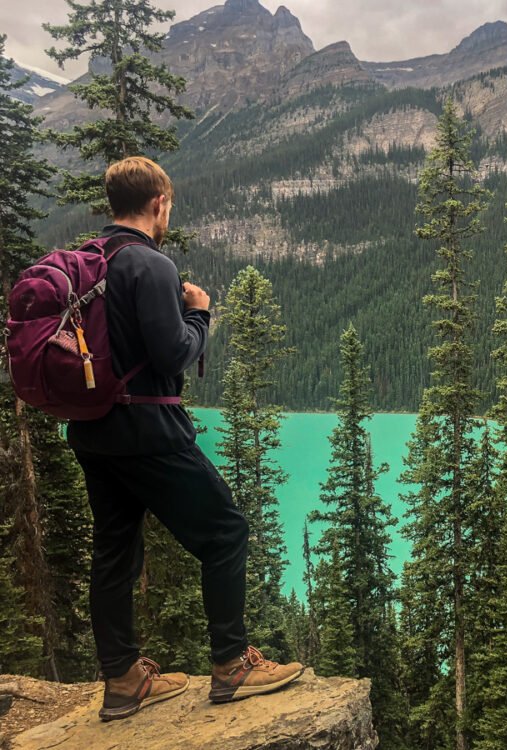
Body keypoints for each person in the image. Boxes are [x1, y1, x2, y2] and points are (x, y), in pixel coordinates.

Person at [68, 156, 304, 721]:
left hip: (92, 430)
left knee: (115, 549)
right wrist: (199, 315)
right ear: (159, 204)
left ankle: (123, 680)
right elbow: (174, 353)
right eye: (168, 205)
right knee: (225, 530)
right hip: (148, 428)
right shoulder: (150, 265)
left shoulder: (91, 261)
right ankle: (231, 665)